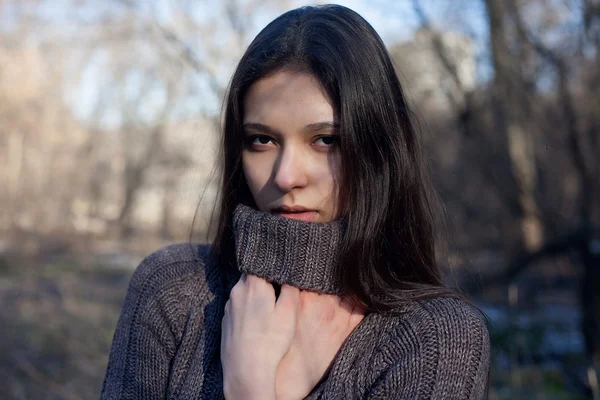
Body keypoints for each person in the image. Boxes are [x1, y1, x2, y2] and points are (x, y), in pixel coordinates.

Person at [100, 4, 490, 399]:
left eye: (325, 140)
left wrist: (250, 390)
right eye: (262, 140)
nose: (286, 176)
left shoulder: (436, 339)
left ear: (379, 149)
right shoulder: (174, 288)